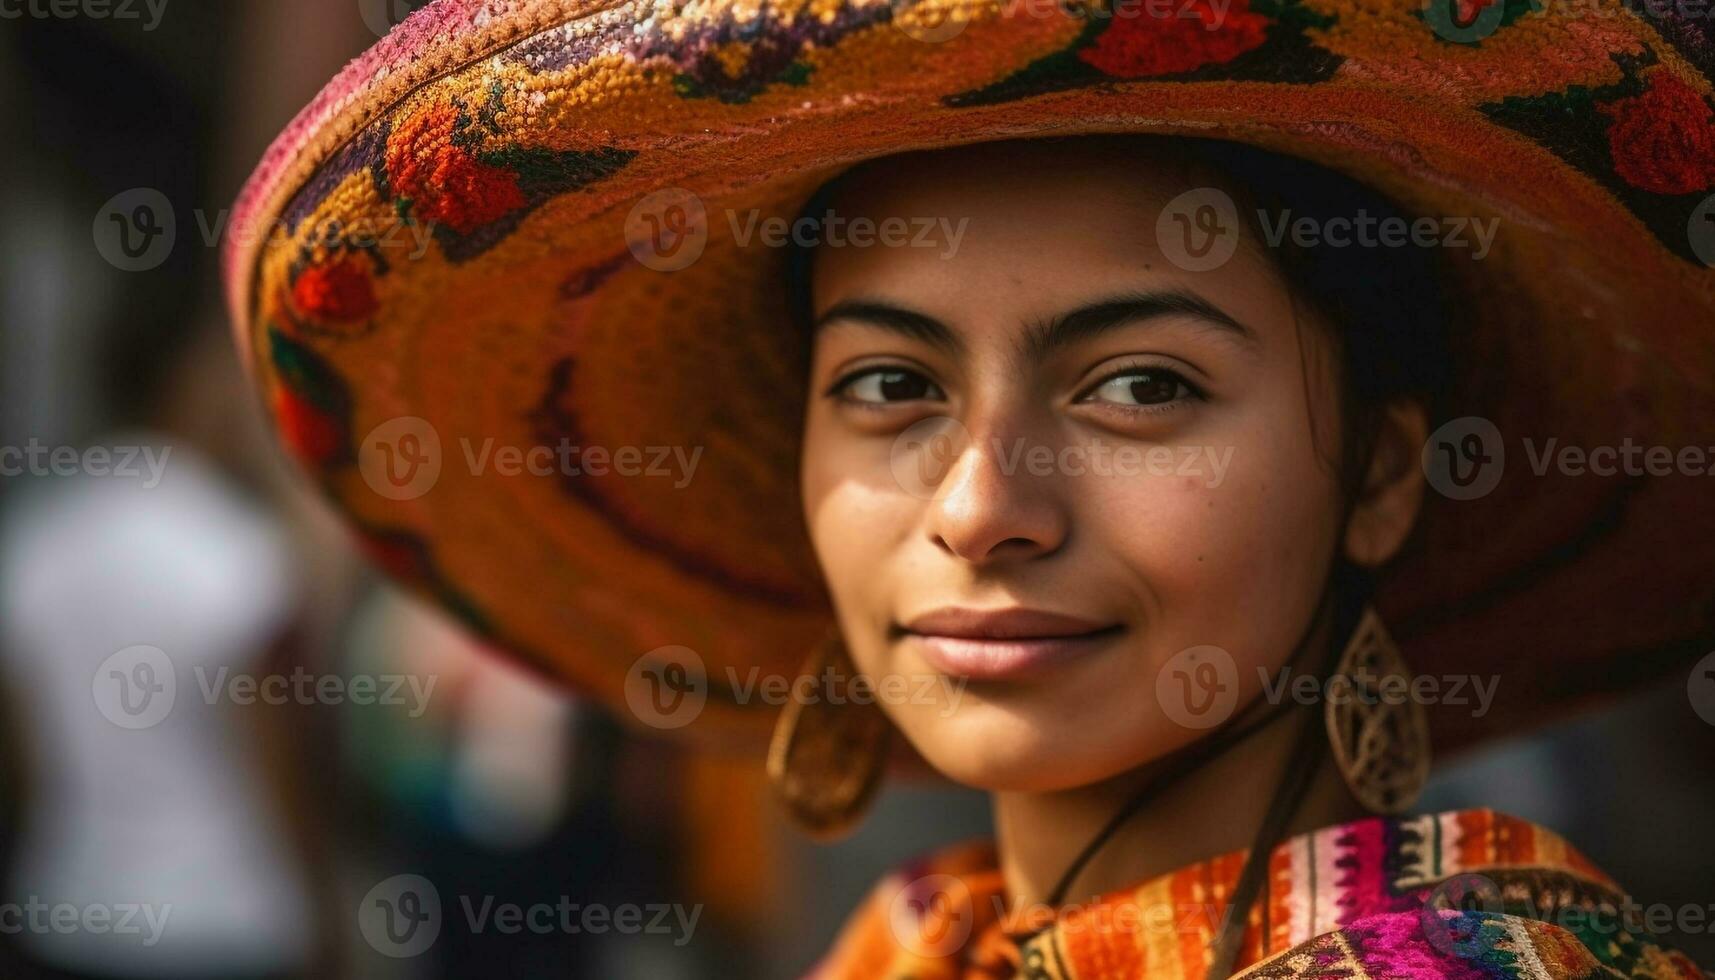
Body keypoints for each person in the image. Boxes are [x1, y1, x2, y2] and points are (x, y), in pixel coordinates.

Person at [222, 0, 1715, 976]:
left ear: (1382, 474)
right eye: (891, 387)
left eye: (1143, 386)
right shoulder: (917, 945)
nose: (983, 502)